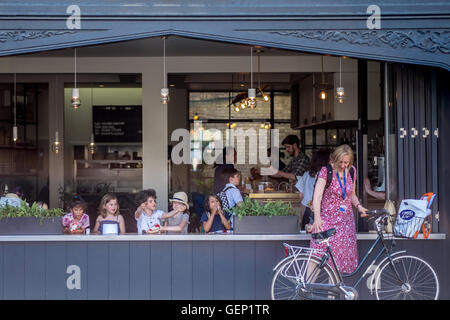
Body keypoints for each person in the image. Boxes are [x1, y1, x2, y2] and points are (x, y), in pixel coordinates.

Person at [310, 144, 368, 274]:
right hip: (327, 220)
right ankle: (305, 286)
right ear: (334, 159)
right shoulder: (326, 171)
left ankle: (333, 292)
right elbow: (317, 196)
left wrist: (359, 206)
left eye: (346, 162)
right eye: (340, 162)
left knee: (338, 261)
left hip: (345, 222)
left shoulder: (352, 171)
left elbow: (351, 194)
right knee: (317, 254)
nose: (343, 165)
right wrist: (317, 218)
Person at [295, 148, 331, 230]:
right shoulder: (328, 175)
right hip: (323, 211)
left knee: (306, 236)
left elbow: (301, 195)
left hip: (307, 210)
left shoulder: (307, 174)